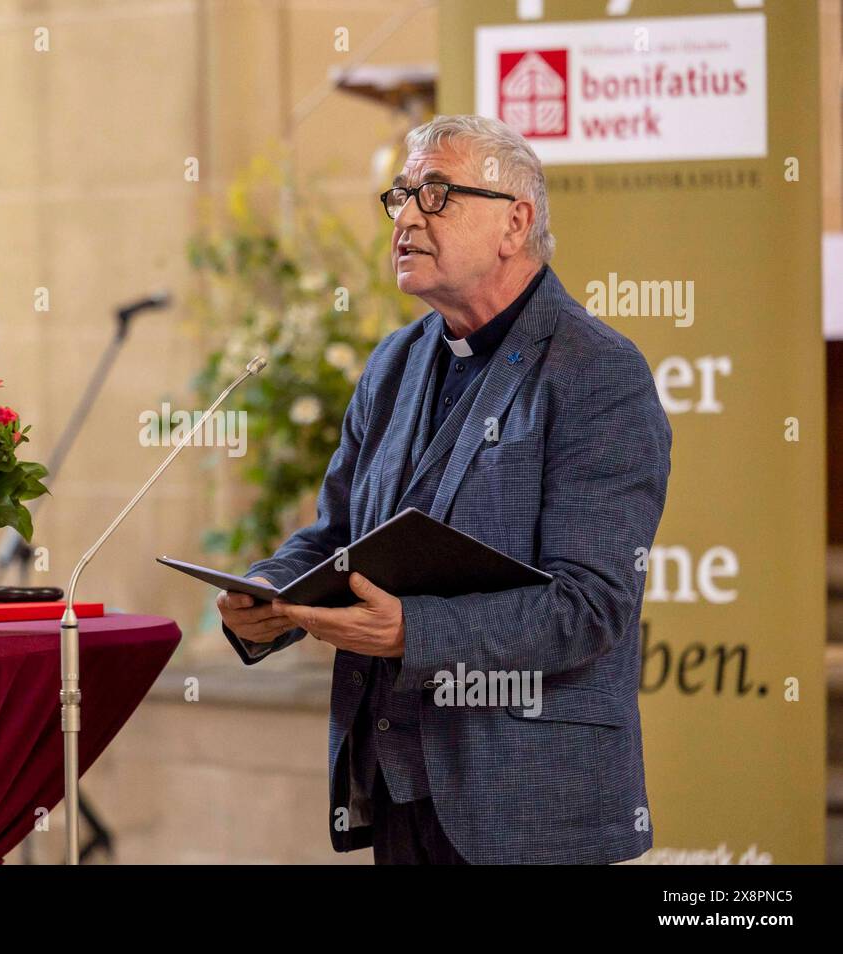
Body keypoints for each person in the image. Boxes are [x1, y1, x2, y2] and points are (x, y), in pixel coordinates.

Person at [217, 114, 671, 864]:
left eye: (435, 193)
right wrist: (266, 592)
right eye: (399, 196)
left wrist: (412, 633)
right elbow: (337, 537)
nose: (404, 217)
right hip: (395, 790)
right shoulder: (394, 362)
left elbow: (591, 607)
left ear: (514, 223)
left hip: (530, 806)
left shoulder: (598, 373)